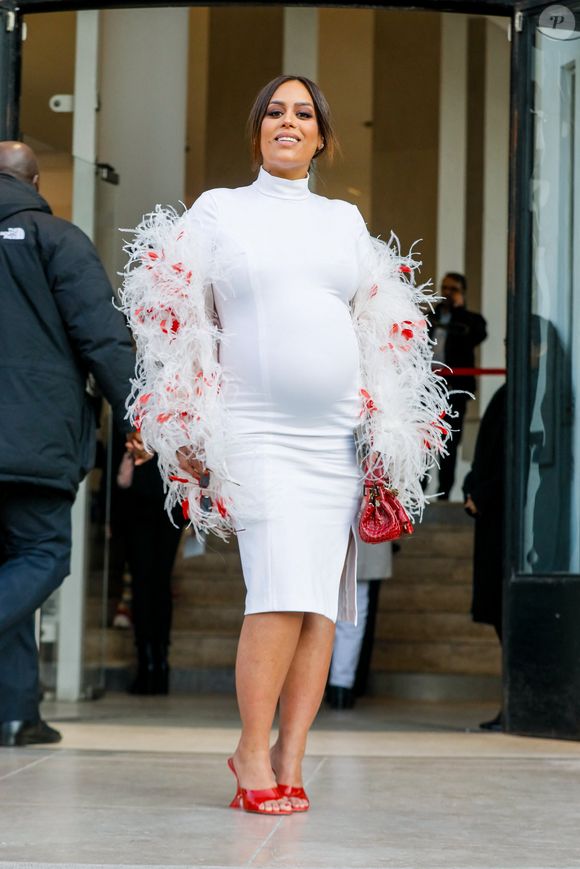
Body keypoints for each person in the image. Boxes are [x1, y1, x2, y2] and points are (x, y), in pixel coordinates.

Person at [121, 75, 450, 814]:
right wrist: (183, 429)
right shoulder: (218, 212)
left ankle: (288, 755)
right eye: (275, 112)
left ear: (323, 136)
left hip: (335, 440)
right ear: (257, 130)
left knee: (320, 606)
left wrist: (390, 435)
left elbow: (384, 327)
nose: (288, 122)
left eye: (304, 114)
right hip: (255, 433)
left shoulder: (344, 220)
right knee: (277, 594)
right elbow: (175, 322)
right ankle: (249, 749)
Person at [0, 141, 147, 747]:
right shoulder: (57, 238)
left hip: (30, 437)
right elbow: (104, 340)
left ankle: (15, 712)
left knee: (12, 572)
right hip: (36, 438)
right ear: (36, 183)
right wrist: (142, 418)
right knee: (43, 556)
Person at [109, 433, 183, 694]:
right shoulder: (171, 407)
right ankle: (158, 664)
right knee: (157, 583)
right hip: (162, 499)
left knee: (146, 583)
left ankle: (149, 663)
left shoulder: (134, 405)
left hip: (147, 501)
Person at [463, 383, 506, 732]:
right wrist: (472, 489)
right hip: (492, 518)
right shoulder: (507, 394)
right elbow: (485, 453)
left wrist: (483, 493)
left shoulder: (535, 393)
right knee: (499, 615)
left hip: (510, 520)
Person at [430, 272, 487, 498]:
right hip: (427, 389)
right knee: (423, 441)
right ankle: (419, 491)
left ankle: (443, 495)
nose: (447, 293)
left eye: (453, 289)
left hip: (453, 390)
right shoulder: (430, 317)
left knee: (448, 444)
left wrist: (459, 310)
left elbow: (477, 336)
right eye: (444, 288)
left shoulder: (470, 320)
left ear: (462, 293)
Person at [327, 536, 392, 710]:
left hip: (318, 533)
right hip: (362, 534)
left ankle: (305, 688)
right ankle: (341, 687)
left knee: (314, 613)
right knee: (353, 613)